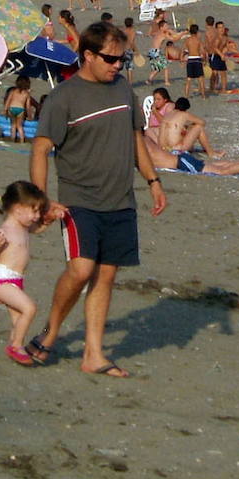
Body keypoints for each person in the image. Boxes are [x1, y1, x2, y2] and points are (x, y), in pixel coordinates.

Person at [28, 21, 167, 377]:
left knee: (105, 277)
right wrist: (42, 202)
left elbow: (137, 138)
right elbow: (41, 149)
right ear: (87, 56)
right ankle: (51, 332)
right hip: (79, 199)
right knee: (81, 269)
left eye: (121, 60)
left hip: (120, 199)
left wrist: (152, 180)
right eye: (110, 59)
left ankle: (93, 353)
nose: (117, 66)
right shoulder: (64, 98)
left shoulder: (122, 90)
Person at [0, 180, 49, 366]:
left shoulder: (23, 226)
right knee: (30, 308)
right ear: (19, 208)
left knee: (19, 319)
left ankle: (14, 346)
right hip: (1, 281)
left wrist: (52, 218)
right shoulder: (4, 231)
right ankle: (17, 346)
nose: (37, 216)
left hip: (16, 281)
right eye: (34, 210)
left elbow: (39, 228)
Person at [2, 75, 39, 141]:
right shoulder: (26, 94)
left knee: (13, 125)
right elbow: (28, 106)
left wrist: (5, 110)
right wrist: (29, 115)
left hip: (12, 108)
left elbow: (8, 101)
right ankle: (22, 140)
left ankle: (12, 139)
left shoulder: (13, 91)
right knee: (19, 126)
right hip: (21, 110)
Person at [181, 22, 207, 99]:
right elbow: (203, 51)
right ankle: (203, 96)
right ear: (197, 31)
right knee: (201, 79)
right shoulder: (198, 40)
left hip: (190, 60)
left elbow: (183, 50)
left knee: (188, 79)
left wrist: (181, 59)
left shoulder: (187, 40)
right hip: (197, 59)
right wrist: (205, 60)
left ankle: (186, 96)